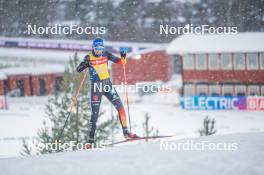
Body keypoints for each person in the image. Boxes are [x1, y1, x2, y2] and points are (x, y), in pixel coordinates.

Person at [76, 37, 139, 145]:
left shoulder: (106, 54)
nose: (99, 51)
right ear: (93, 48)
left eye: (100, 49)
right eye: (97, 49)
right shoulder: (88, 57)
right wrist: (84, 64)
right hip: (96, 88)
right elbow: (78, 69)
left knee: (121, 108)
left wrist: (123, 56)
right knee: (94, 115)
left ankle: (126, 132)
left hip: (107, 85)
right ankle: (90, 141)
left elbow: (121, 62)